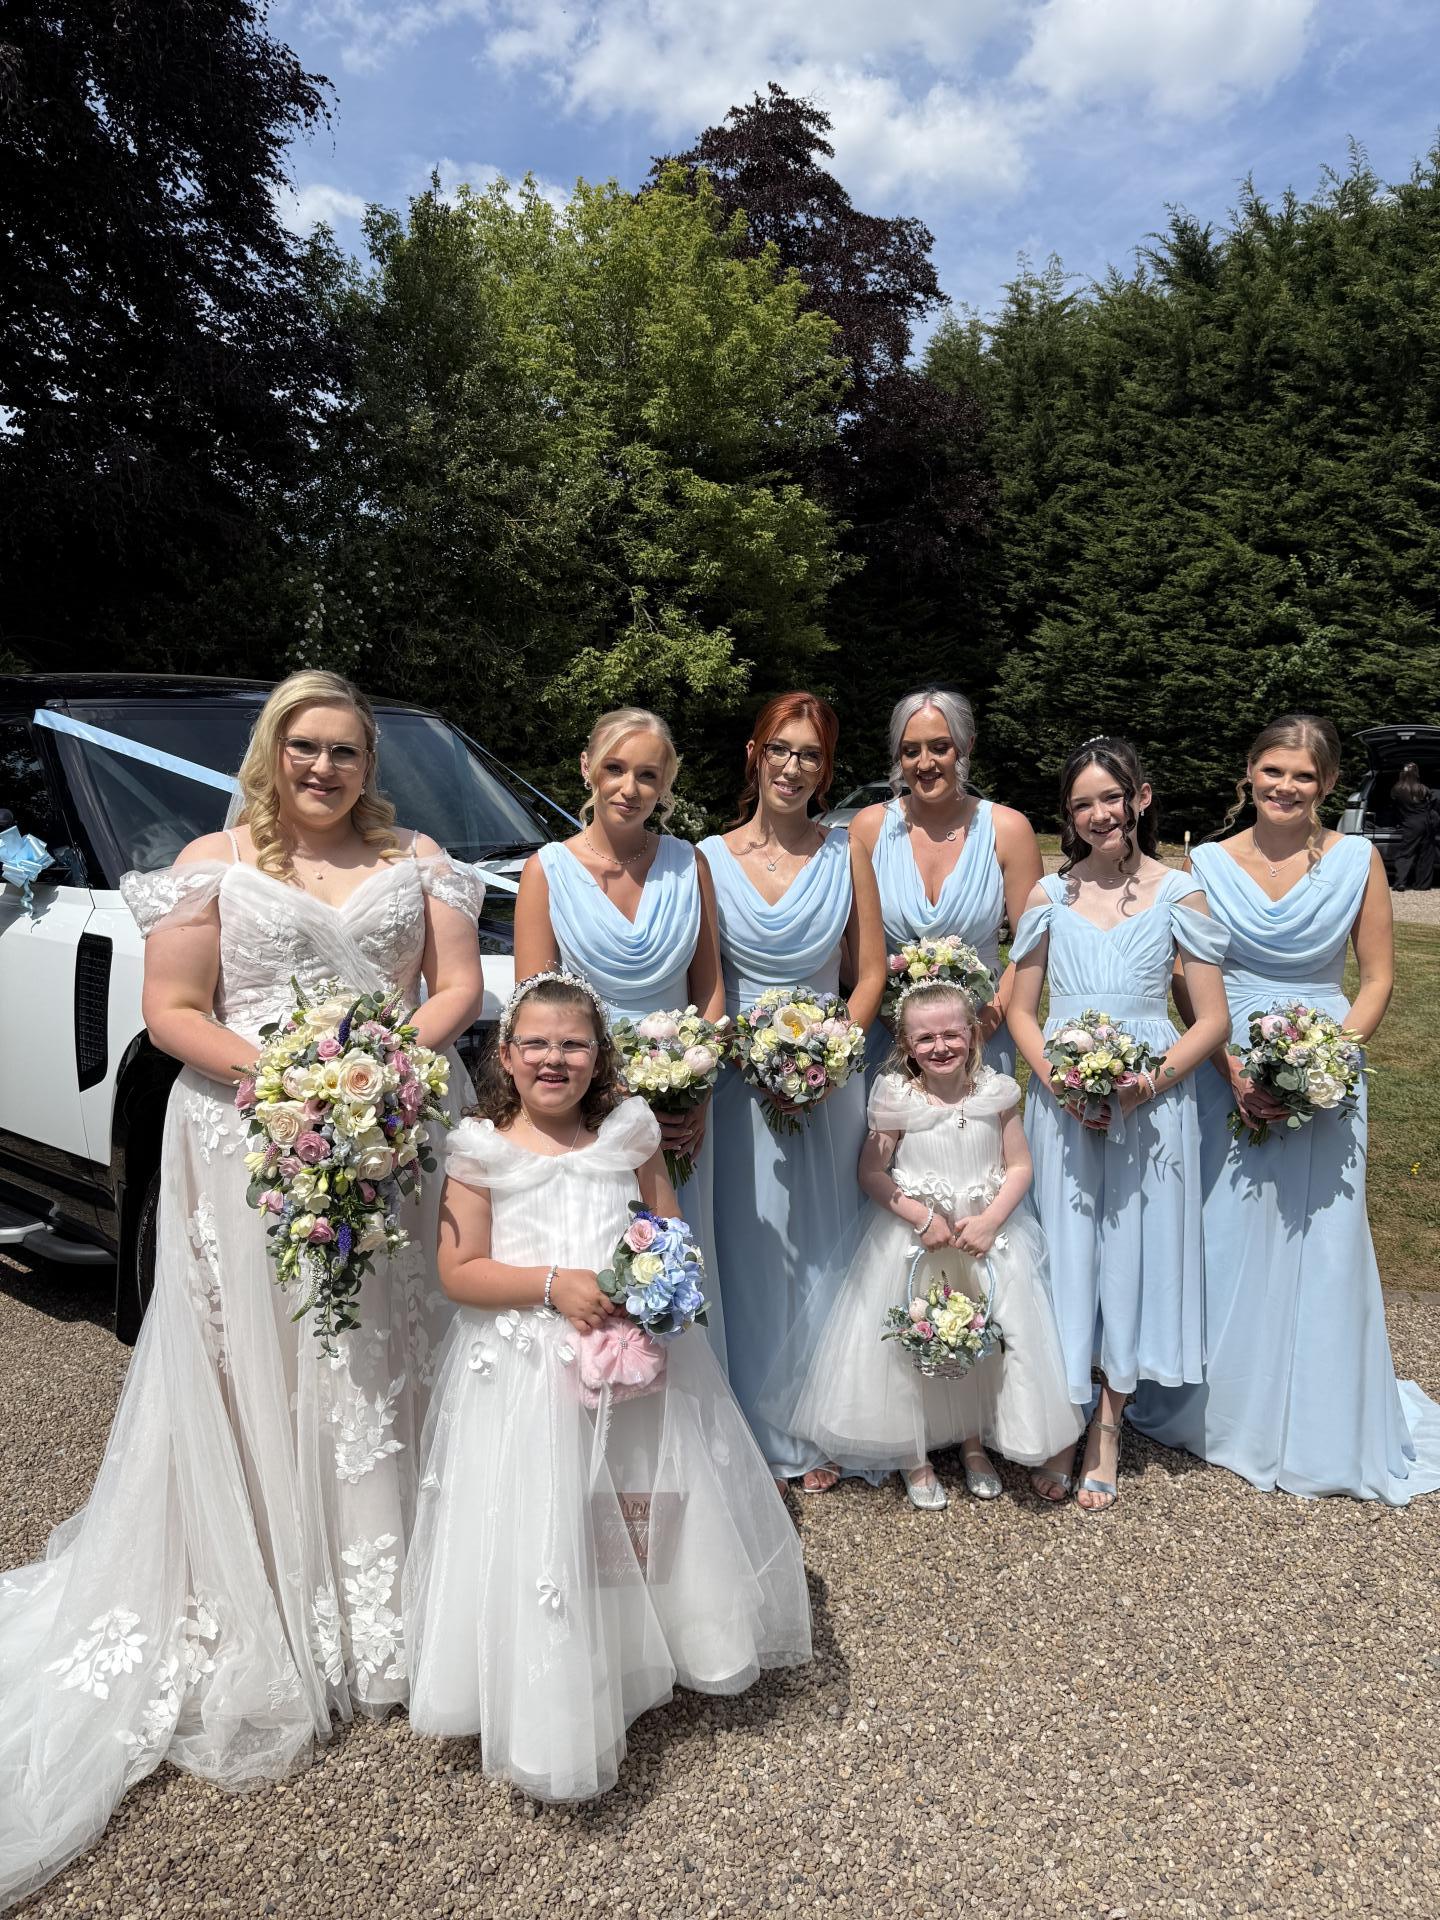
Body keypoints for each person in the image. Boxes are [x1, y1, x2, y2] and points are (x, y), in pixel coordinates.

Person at [0, 671, 486, 1912]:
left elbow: (456, 988)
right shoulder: (208, 863)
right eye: (305, 746)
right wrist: (294, 1081)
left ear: (370, 763)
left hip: (395, 1128)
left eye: (346, 751)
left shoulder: (423, 862)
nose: (325, 768)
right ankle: (270, 1588)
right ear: (273, 752)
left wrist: (383, 1067)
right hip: (245, 1136)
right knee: (263, 1350)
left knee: (392, 1347)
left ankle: (407, 1594)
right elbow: (171, 1012)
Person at [403, 972, 811, 1801]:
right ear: (506, 1056)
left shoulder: (628, 1132)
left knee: (635, 1497)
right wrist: (554, 1285)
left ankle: (636, 1648)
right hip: (525, 1365)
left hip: (631, 1353)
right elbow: (459, 1271)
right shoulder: (482, 1147)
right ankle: (558, 1681)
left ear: (599, 1056)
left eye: (573, 1044)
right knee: (545, 1514)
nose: (553, 1059)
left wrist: (650, 1281)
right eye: (536, 1044)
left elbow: (668, 1225)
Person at [1130, 715, 1440, 1501]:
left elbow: (1376, 977)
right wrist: (1231, 1067)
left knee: (1320, 1234)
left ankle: (1319, 1412)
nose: (1285, 786)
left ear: (1327, 784)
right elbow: (1184, 978)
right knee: (1225, 1226)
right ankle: (1217, 1405)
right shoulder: (1206, 862)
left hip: (1325, 1065)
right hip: (1225, 1059)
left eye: (1304, 775)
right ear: (1250, 772)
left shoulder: (1358, 860)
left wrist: (1326, 1060)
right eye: (1273, 770)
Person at [1007, 736, 1231, 1511]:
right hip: (1063, 1102)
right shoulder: (1047, 896)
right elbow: (1020, 1009)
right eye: (1083, 804)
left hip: (1152, 1104)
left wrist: (1144, 1087)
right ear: (1067, 816)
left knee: (1135, 1251)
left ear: (1140, 798)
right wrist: (1060, 1085)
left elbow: (1212, 1020)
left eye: (1112, 797)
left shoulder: (1180, 894)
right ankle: (1063, 1411)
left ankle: (1109, 1421)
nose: (1100, 814)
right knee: (1066, 1251)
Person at [777, 981, 1082, 1510]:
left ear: (973, 1034)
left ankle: (972, 1441)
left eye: (951, 1034)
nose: (940, 1047)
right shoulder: (897, 1096)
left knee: (982, 1339)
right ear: (906, 1045)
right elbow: (871, 1172)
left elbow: (1019, 1166)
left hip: (982, 1239)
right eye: (925, 1038)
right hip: (917, 1243)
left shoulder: (996, 1093)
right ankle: (912, 1453)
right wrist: (920, 1217)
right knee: (912, 1342)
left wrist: (990, 1221)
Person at [698, 693, 886, 1492]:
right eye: (780, 748)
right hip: (737, 1077)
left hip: (828, 1077)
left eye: (810, 754)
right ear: (754, 753)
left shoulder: (847, 853)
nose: (792, 766)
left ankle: (825, 1420)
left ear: (826, 769)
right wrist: (745, 1056)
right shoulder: (706, 858)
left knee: (825, 1242)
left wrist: (831, 1058)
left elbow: (869, 972)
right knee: (747, 1241)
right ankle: (750, 1423)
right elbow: (704, 977)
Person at [514, 707, 727, 1369]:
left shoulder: (688, 864)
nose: (629, 788)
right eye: (615, 768)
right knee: (602, 1255)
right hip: (585, 1105)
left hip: (680, 1104)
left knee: (676, 1256)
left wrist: (698, 1089)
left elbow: (710, 989)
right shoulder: (546, 870)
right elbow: (533, 1014)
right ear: (587, 769)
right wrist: (597, 1099)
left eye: (648, 775)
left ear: (666, 785)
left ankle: (680, 1406)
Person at [849, 687, 1042, 1078]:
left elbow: (1031, 949)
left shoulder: (1009, 829)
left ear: (965, 746)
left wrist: (979, 1030)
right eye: (911, 751)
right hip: (890, 1042)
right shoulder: (868, 828)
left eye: (940, 747)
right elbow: (850, 947)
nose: (925, 763)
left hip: (981, 1037)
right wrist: (903, 1030)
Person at [1389, 761, 1436, 892]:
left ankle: (1400, 882)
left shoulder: (1397, 789)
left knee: (1406, 853)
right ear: (1416, 774)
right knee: (1426, 853)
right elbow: (1431, 802)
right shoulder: (1422, 788)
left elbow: (1394, 808)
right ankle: (1422, 885)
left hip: (1410, 824)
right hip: (1427, 823)